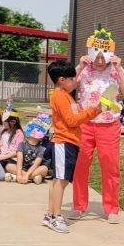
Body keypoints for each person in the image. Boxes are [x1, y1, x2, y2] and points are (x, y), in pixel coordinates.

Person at [71, 26, 124, 224]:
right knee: (80, 166)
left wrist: (118, 69)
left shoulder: (116, 70)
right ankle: (79, 205)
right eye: (95, 56)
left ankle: (111, 207)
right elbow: (68, 86)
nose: (99, 60)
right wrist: (79, 66)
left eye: (103, 56)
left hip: (109, 125)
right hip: (85, 124)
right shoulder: (83, 69)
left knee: (110, 167)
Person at [44, 60, 101, 233]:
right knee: (61, 181)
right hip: (64, 142)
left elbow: (73, 117)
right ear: (62, 80)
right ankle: (55, 217)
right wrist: (93, 111)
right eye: (72, 79)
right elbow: (71, 120)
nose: (75, 81)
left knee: (58, 180)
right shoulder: (60, 96)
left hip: (68, 143)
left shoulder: (65, 96)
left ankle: (50, 214)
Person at [6, 119, 52, 184]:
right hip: (22, 168)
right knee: (9, 166)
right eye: (32, 129)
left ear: (41, 137)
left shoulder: (41, 149)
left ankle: (16, 177)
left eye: (38, 130)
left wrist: (27, 175)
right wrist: (19, 173)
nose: (34, 131)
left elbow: (36, 164)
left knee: (44, 169)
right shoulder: (22, 144)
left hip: (35, 169)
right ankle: (33, 178)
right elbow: (19, 160)